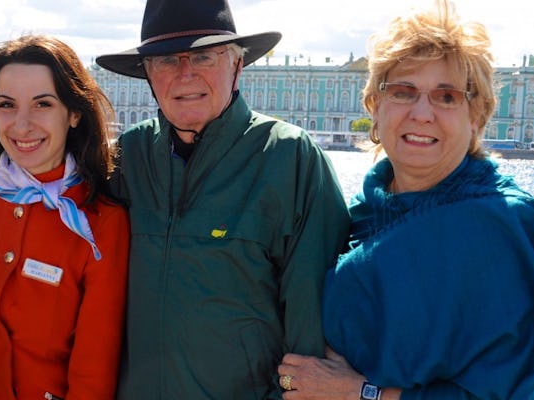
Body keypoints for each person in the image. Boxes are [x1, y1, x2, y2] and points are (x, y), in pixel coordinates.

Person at [276, 1, 534, 399]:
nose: (422, 112)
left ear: (477, 116)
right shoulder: (354, 215)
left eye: (447, 96)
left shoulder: (502, 226)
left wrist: (361, 393)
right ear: (374, 106)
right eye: (403, 92)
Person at [94, 0, 351, 398]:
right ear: (146, 74)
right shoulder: (129, 155)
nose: (185, 74)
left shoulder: (290, 158)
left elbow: (311, 326)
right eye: (164, 60)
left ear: (238, 65)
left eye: (203, 56)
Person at [0, 35, 130, 400]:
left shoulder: (102, 221)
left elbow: (94, 370)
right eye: (7, 105)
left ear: (74, 113)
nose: (21, 125)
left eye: (42, 104)